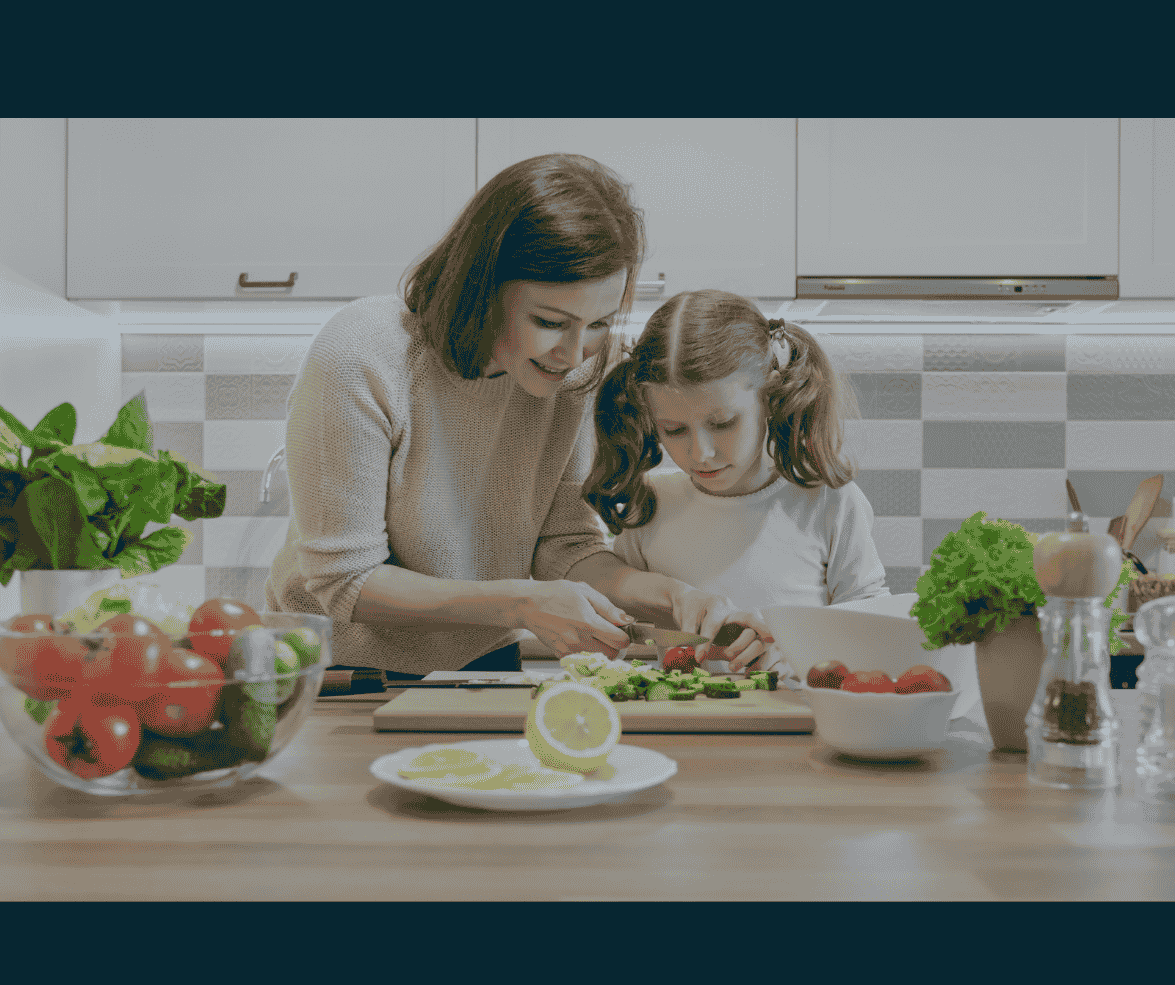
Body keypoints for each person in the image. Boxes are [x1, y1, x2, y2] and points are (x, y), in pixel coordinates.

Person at [265, 155, 772, 679]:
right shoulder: (364, 355)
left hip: (481, 667)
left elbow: (566, 548)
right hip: (335, 673)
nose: (575, 353)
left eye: (598, 323)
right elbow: (345, 581)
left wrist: (676, 598)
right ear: (481, 284)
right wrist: (521, 603)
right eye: (551, 321)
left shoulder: (576, 376)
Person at [583, 289, 890, 678]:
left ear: (770, 398)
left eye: (723, 422)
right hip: (680, 725)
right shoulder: (651, 506)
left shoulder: (828, 502)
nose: (701, 453)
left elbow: (874, 623)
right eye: (674, 429)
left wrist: (798, 651)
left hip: (796, 723)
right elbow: (625, 629)